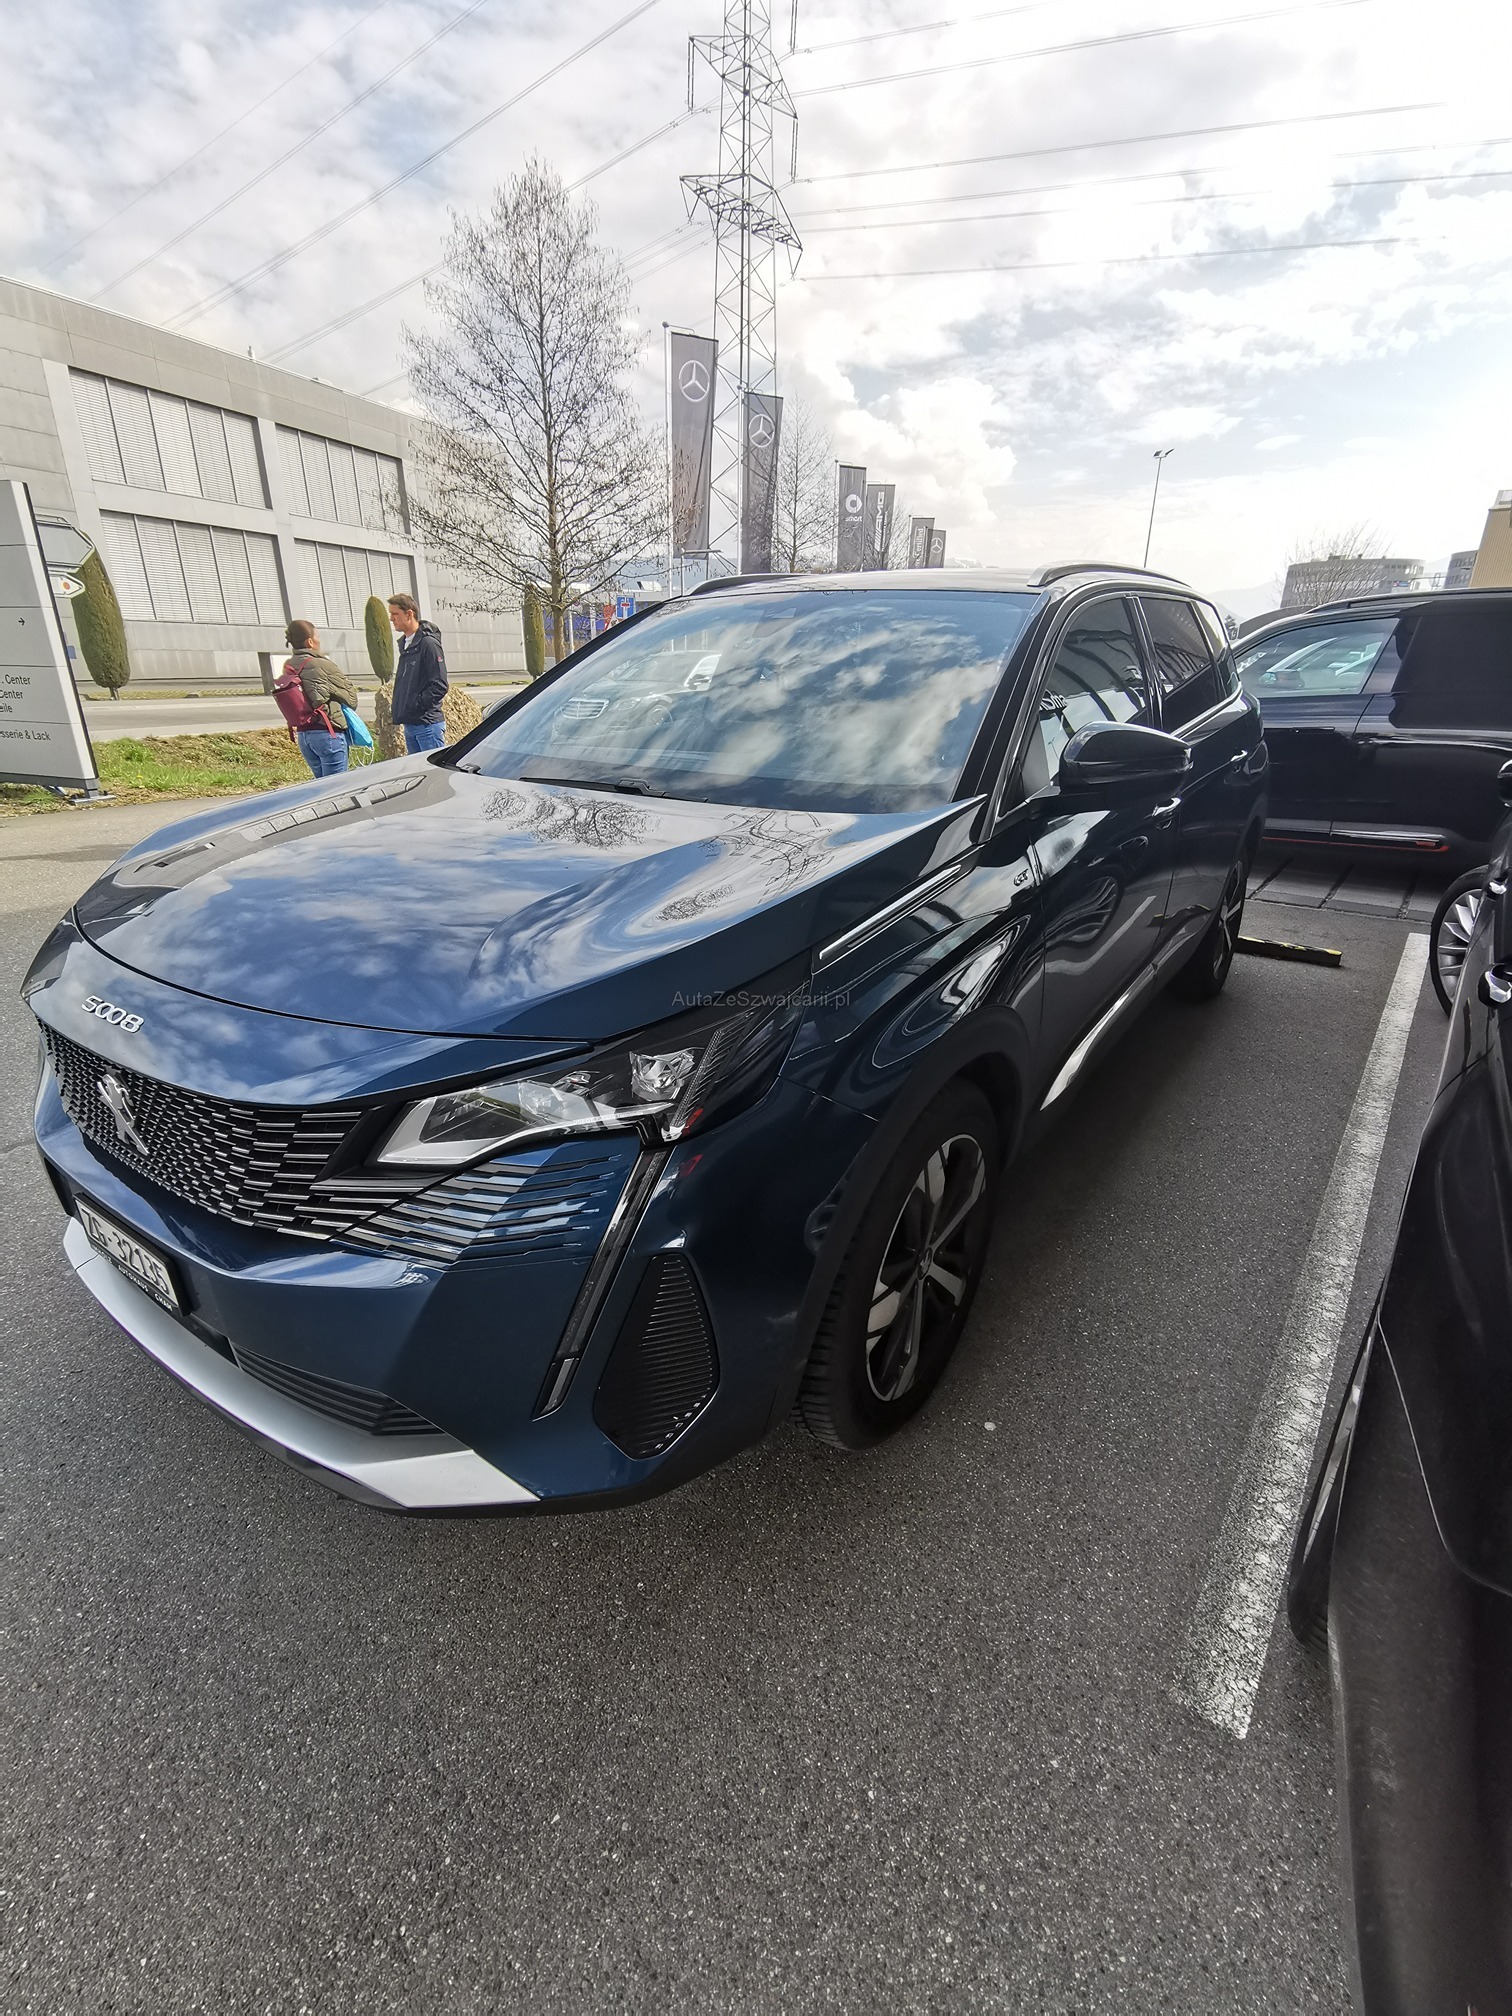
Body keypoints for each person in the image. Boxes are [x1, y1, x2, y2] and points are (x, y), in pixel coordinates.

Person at [273, 619, 361, 778]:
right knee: (336, 787)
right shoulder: (322, 664)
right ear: (310, 641)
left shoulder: (289, 665)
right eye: (317, 637)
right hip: (328, 734)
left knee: (321, 786)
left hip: (304, 736)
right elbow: (351, 699)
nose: (320, 641)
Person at [387, 594, 449, 755]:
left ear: (409, 614)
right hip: (411, 725)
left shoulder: (428, 644)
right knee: (417, 769)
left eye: (395, 614)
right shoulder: (406, 645)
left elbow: (440, 684)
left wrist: (417, 705)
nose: (391, 618)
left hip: (427, 725)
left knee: (432, 769)